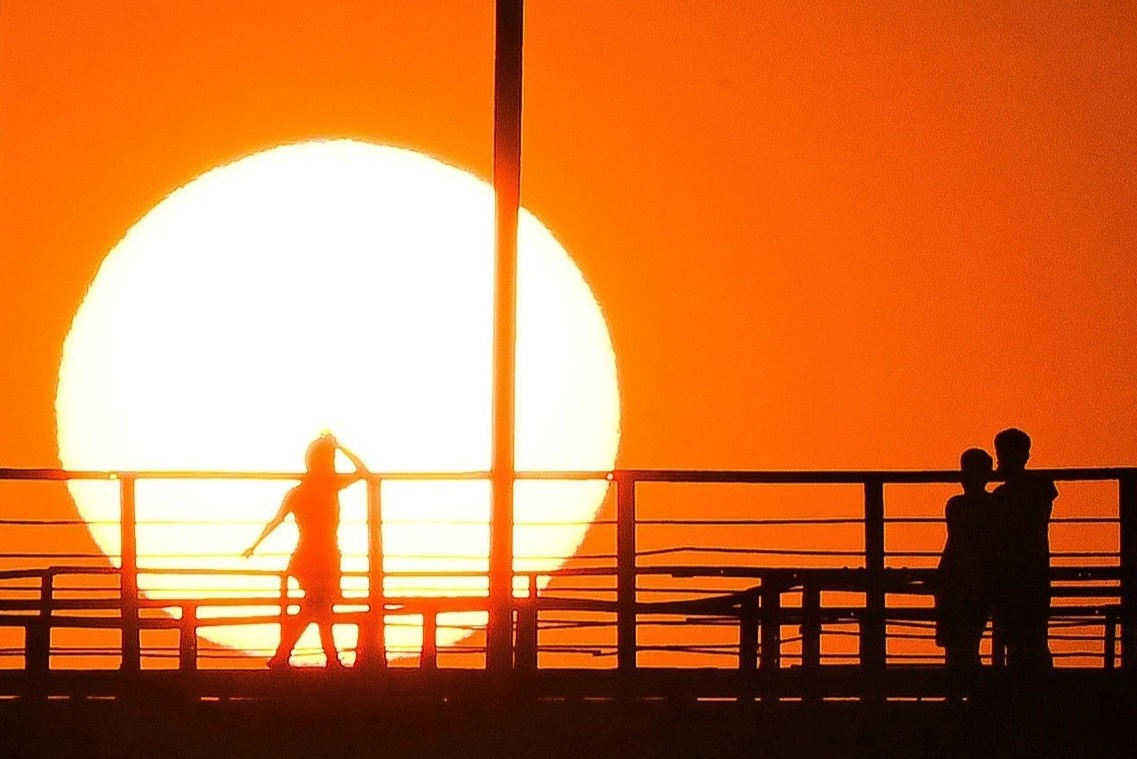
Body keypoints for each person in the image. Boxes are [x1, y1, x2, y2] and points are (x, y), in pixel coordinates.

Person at [242, 432, 369, 669]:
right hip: (325, 557)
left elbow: (275, 521)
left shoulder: (299, 492)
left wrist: (255, 546)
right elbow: (363, 471)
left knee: (318, 609)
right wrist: (340, 446)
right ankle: (312, 658)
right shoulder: (331, 485)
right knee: (320, 608)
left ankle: (293, 657)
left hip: (306, 557)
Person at [991, 427, 1058, 669]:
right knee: (1033, 634)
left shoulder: (1004, 495)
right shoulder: (1039, 488)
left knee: (1018, 635)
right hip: (1033, 568)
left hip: (1014, 572)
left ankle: (1020, 684)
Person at [935, 447, 995, 670]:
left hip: (957, 575)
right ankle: (969, 687)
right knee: (968, 641)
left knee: (957, 644)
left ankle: (957, 689)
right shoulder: (991, 505)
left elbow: (956, 542)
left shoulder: (956, 504)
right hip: (974, 578)